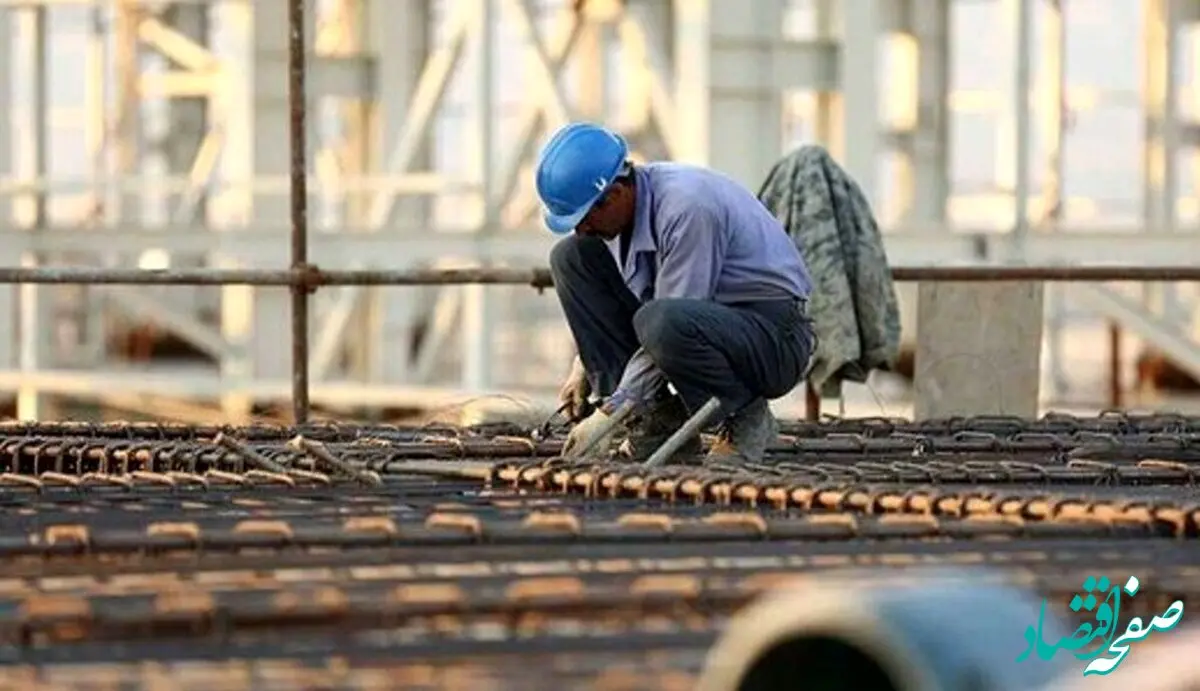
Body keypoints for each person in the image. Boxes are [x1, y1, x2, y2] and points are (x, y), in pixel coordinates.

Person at [537, 122, 816, 465]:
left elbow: (669, 319)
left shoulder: (687, 209)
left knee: (659, 321)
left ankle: (745, 415)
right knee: (572, 257)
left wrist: (610, 412)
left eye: (584, 217)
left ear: (616, 193)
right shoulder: (622, 216)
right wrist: (585, 364)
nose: (583, 228)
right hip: (701, 323)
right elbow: (643, 303)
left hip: (771, 338)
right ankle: (653, 422)